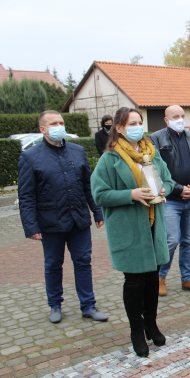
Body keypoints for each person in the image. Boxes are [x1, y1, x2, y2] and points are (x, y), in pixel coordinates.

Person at [91, 107, 174, 357]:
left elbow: (168, 181)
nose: (138, 127)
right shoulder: (110, 158)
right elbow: (99, 194)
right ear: (119, 128)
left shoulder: (151, 153)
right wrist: (130, 194)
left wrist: (164, 191)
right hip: (129, 228)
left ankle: (151, 324)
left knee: (152, 280)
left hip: (153, 226)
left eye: (140, 122)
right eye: (132, 123)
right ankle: (136, 331)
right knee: (135, 282)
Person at [18, 110, 108, 324]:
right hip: (50, 222)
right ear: (43, 129)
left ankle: (88, 305)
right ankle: (55, 305)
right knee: (53, 264)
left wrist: (97, 211)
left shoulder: (77, 151)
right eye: (54, 123)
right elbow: (26, 195)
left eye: (61, 122)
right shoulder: (30, 157)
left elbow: (88, 184)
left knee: (83, 262)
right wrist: (31, 226)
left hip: (78, 219)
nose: (59, 126)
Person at [149, 105, 190, 296]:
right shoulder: (157, 139)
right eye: (176, 116)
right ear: (166, 120)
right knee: (171, 240)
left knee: (188, 241)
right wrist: (178, 189)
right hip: (171, 199)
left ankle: (187, 279)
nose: (180, 119)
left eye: (183, 116)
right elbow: (154, 170)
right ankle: (160, 277)